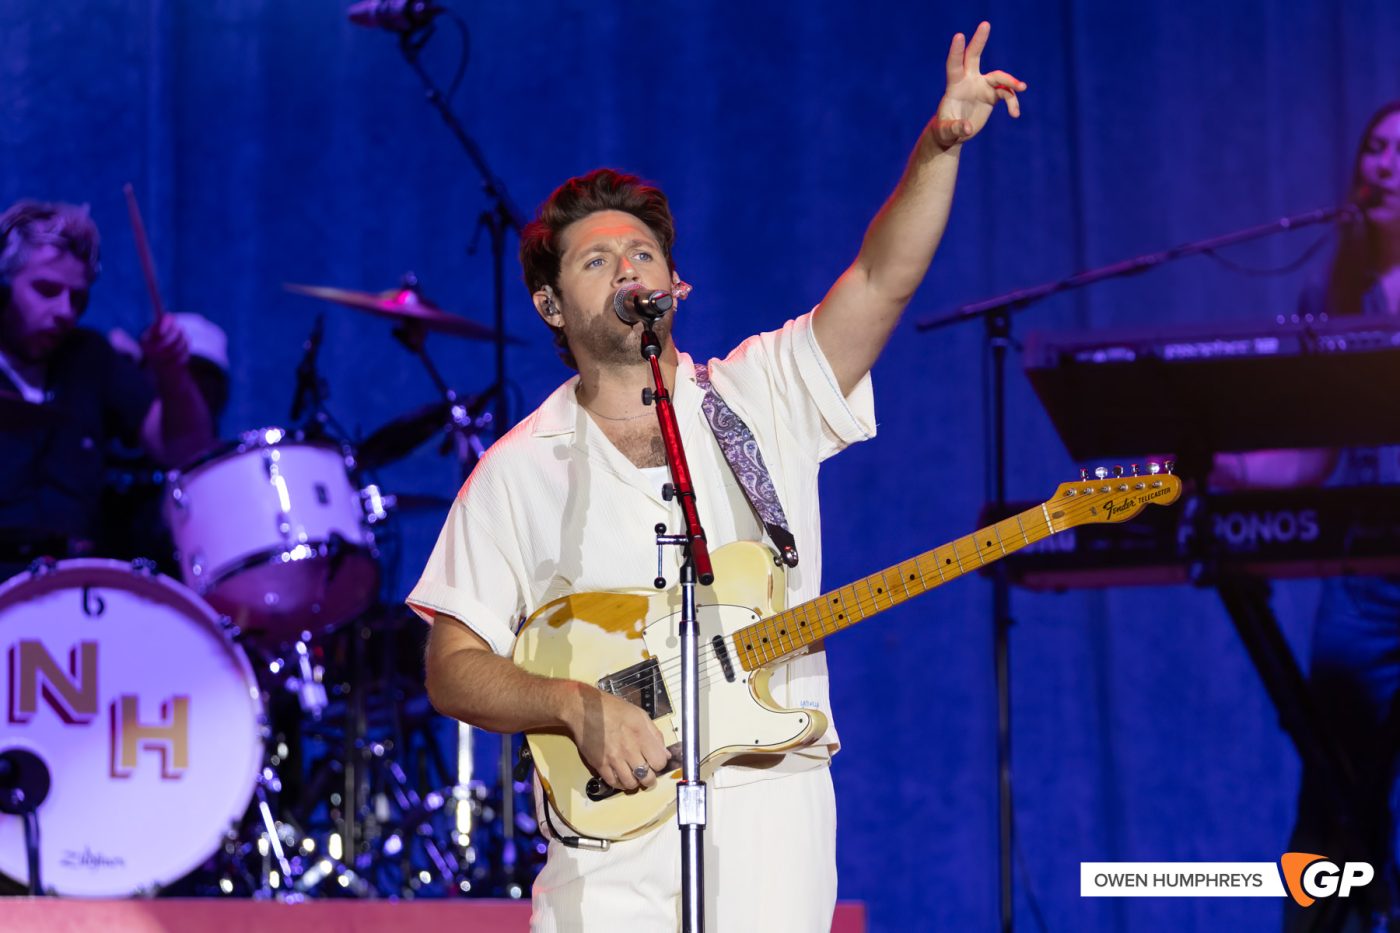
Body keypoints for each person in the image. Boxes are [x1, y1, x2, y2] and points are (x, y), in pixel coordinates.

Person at [410, 22, 1024, 931]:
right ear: (551, 305)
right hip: (609, 848)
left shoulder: (760, 393)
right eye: (596, 259)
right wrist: (573, 704)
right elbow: (453, 669)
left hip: (771, 813)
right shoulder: (516, 471)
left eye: (643, 253)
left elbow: (882, 280)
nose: (627, 266)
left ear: (676, 283)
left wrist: (938, 148)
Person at [1213, 101, 1400, 932]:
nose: (1384, 165)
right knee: (1332, 803)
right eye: (1376, 148)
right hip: (1367, 589)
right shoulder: (1334, 288)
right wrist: (1216, 468)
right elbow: (1313, 455)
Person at [0, 199, 214, 578]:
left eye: (78, 298)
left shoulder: (90, 357)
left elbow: (187, 450)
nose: (66, 311)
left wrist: (171, 372)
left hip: (79, 592)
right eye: (47, 290)